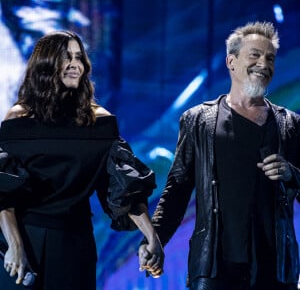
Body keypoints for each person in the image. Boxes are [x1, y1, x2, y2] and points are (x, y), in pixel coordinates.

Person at [139, 21, 300, 289]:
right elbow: (177, 191)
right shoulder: (198, 121)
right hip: (214, 270)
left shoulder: (290, 126)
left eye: (270, 58)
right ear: (231, 61)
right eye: (255, 55)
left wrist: (292, 174)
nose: (264, 63)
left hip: (274, 272)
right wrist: (153, 240)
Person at [0, 30, 164, 290]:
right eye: (67, 57)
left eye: (79, 57)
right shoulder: (18, 118)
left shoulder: (99, 122)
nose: (76, 64)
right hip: (22, 242)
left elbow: (124, 190)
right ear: (45, 65)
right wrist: (14, 246)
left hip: (75, 244)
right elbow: (3, 193)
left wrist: (152, 237)